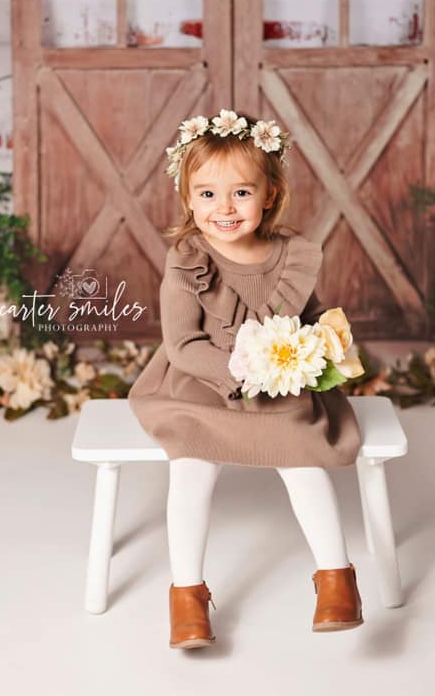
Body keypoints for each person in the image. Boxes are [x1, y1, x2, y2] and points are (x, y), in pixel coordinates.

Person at [128, 110, 363, 649]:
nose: (224, 208)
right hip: (200, 384)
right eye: (207, 194)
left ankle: (337, 579)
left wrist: (318, 347)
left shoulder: (291, 258)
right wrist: (237, 374)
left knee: (300, 460)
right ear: (188, 198)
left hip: (276, 383)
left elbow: (308, 315)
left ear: (270, 195)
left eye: (240, 193)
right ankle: (187, 595)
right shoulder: (188, 262)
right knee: (191, 465)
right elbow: (182, 344)